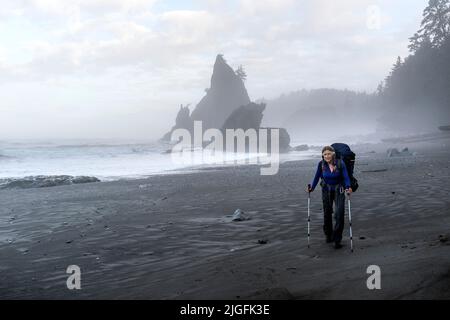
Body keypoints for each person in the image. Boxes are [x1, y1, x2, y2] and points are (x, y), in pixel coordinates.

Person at [307, 146, 352, 249]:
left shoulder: (340, 163)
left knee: (339, 214)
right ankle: (328, 235)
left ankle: (337, 240)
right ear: (323, 155)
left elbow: (346, 177)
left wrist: (348, 187)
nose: (327, 156)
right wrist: (312, 188)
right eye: (325, 154)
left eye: (329, 153)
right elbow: (316, 177)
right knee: (327, 212)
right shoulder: (321, 164)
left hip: (339, 189)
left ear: (333, 154)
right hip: (326, 189)